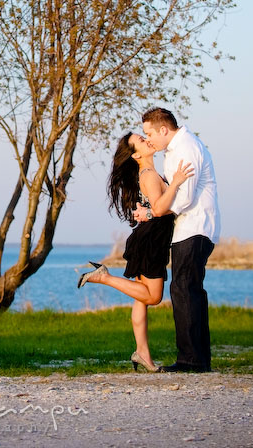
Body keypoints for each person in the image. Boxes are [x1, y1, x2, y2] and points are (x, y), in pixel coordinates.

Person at [77, 131, 194, 372]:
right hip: (153, 239)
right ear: (137, 154)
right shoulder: (149, 175)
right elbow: (161, 209)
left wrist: (151, 209)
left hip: (148, 236)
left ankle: (142, 352)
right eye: (141, 140)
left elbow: (155, 207)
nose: (146, 139)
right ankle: (104, 277)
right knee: (152, 297)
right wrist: (177, 182)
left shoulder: (148, 173)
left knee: (141, 299)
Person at [141, 107, 220, 373]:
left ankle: (191, 360)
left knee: (184, 289)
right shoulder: (175, 151)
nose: (148, 139)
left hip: (195, 227)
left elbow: (184, 199)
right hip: (189, 228)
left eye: (149, 133)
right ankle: (198, 358)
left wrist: (154, 211)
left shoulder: (185, 148)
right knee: (189, 290)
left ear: (164, 129)